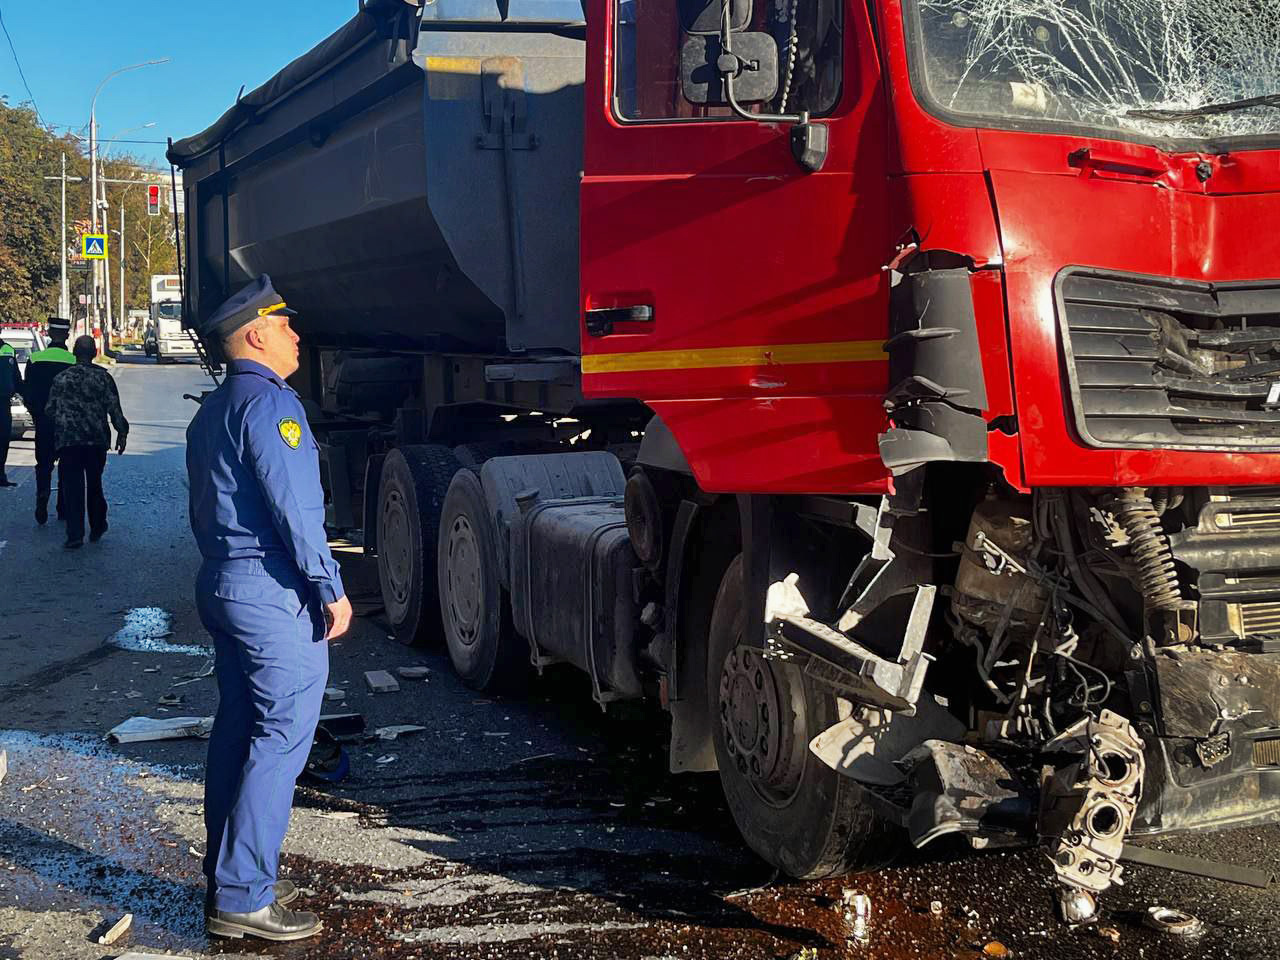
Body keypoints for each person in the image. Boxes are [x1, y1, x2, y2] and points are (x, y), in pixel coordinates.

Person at [186, 275, 351, 943]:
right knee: (281, 739)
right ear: (256, 334)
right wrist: (330, 586)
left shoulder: (213, 409)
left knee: (239, 729)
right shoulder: (271, 408)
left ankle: (232, 873)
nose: (296, 336)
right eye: (285, 326)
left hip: (224, 582)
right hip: (270, 592)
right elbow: (296, 511)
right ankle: (242, 895)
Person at [45, 336, 128, 548]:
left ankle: (74, 535)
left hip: (69, 441)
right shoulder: (103, 378)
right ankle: (98, 525)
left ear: (74, 352)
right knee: (94, 483)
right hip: (96, 440)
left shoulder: (61, 378)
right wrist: (122, 433)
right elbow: (114, 409)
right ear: (94, 353)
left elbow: (50, 410)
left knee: (72, 487)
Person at [20, 317, 76, 521]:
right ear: (67, 336)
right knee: (67, 465)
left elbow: (28, 392)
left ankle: (42, 497)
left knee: (43, 464)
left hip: (44, 421)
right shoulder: (73, 362)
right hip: (68, 424)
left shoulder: (35, 359)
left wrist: (36, 414)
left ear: (49, 334)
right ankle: (62, 505)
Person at [0, 333, 22, 487]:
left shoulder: (8, 349)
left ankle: (1, 475)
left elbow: (15, 376)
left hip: (3, 402)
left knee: (3, 439)